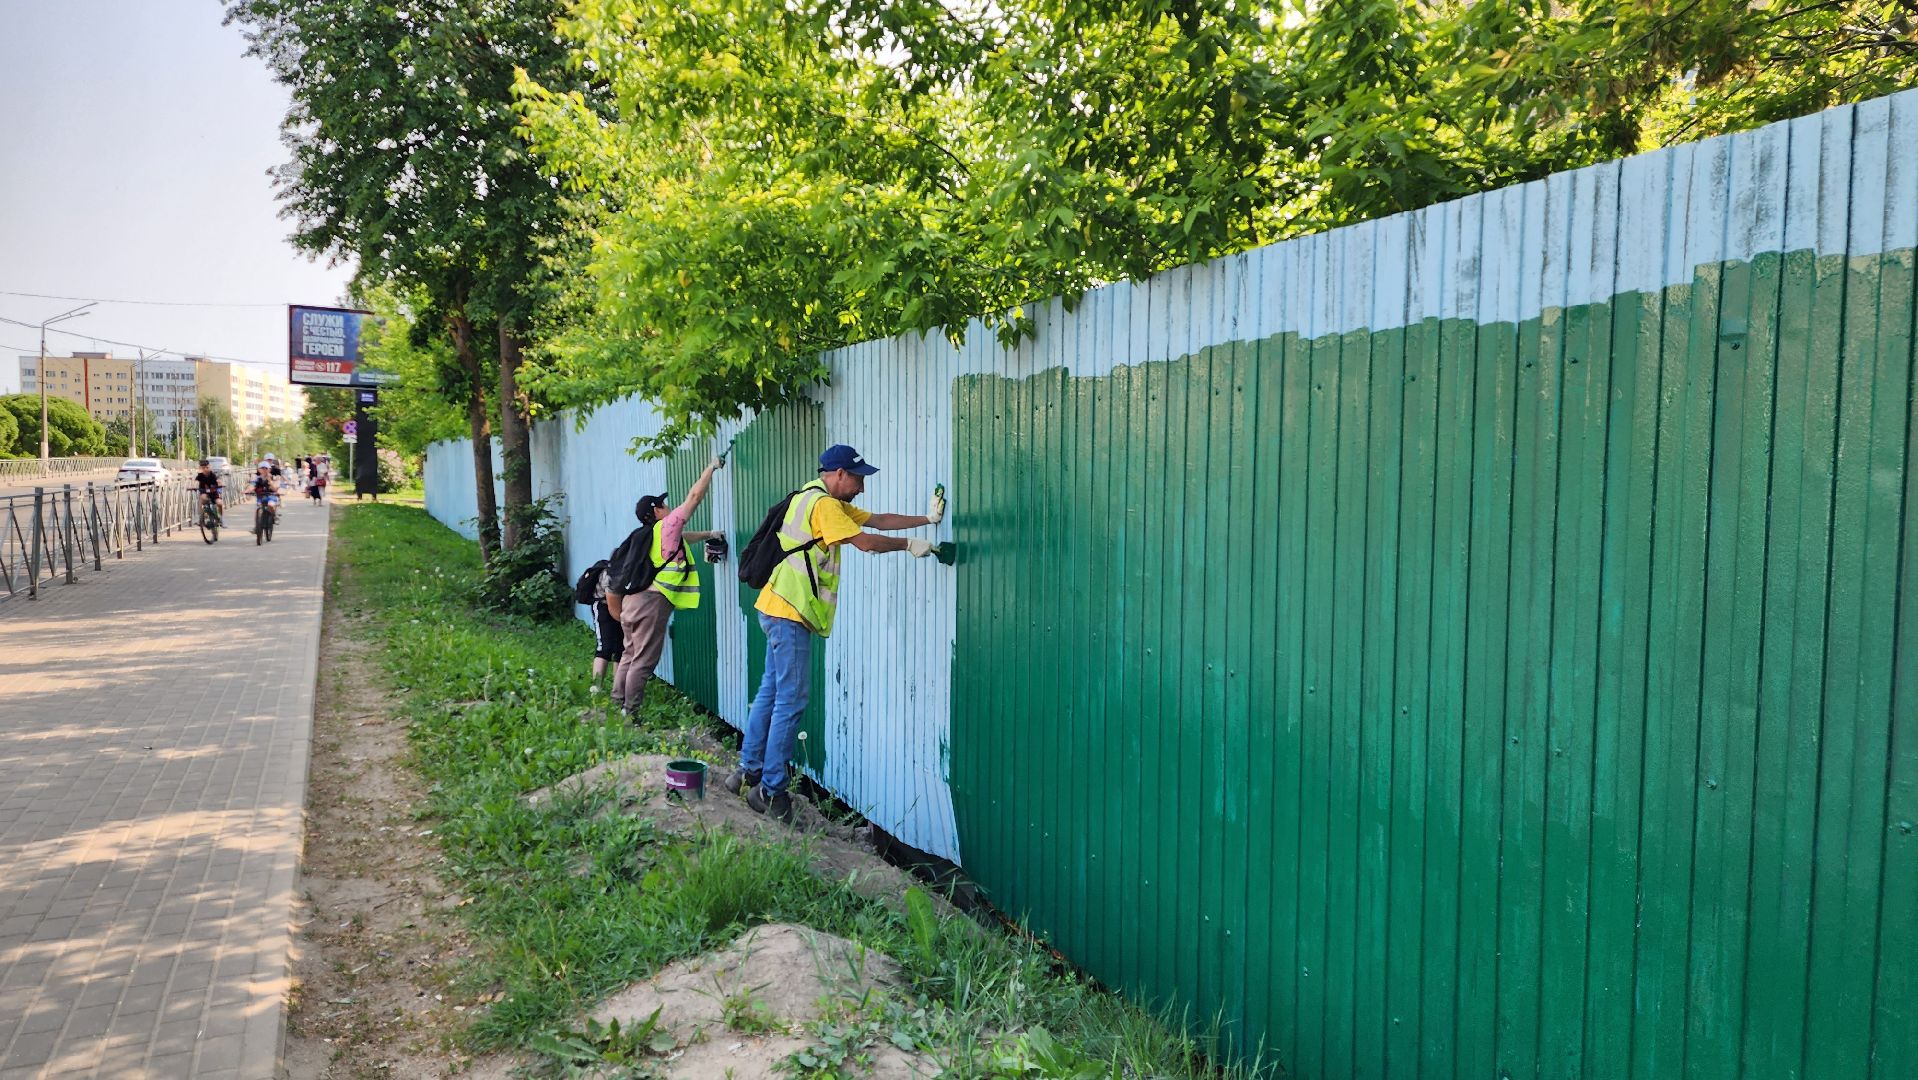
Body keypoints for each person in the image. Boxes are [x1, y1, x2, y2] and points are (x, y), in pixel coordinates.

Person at [725, 445, 944, 823]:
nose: (861, 486)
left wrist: (926, 519)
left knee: (771, 691)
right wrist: (908, 546)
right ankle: (771, 791)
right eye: (858, 478)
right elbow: (867, 541)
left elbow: (877, 520)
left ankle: (748, 770)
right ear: (839, 473)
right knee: (791, 699)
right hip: (791, 612)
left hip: (775, 606)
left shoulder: (812, 496)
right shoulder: (825, 506)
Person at [605, 457, 727, 717]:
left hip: (631, 602)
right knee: (643, 660)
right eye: (662, 504)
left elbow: (683, 539)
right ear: (656, 512)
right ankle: (630, 713)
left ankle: (617, 706)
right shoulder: (666, 527)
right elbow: (694, 497)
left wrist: (708, 534)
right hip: (652, 603)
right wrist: (710, 468)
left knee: (630, 653)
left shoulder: (648, 535)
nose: (667, 506)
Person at [249, 464, 281, 534]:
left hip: (271, 496)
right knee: (258, 509)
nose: (264, 470)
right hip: (260, 497)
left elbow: (275, 489)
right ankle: (257, 527)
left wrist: (270, 481)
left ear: (269, 469)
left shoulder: (273, 477)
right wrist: (247, 491)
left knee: (271, 505)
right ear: (259, 470)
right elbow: (252, 486)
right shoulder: (257, 478)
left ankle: (274, 516)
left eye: (266, 468)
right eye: (262, 468)